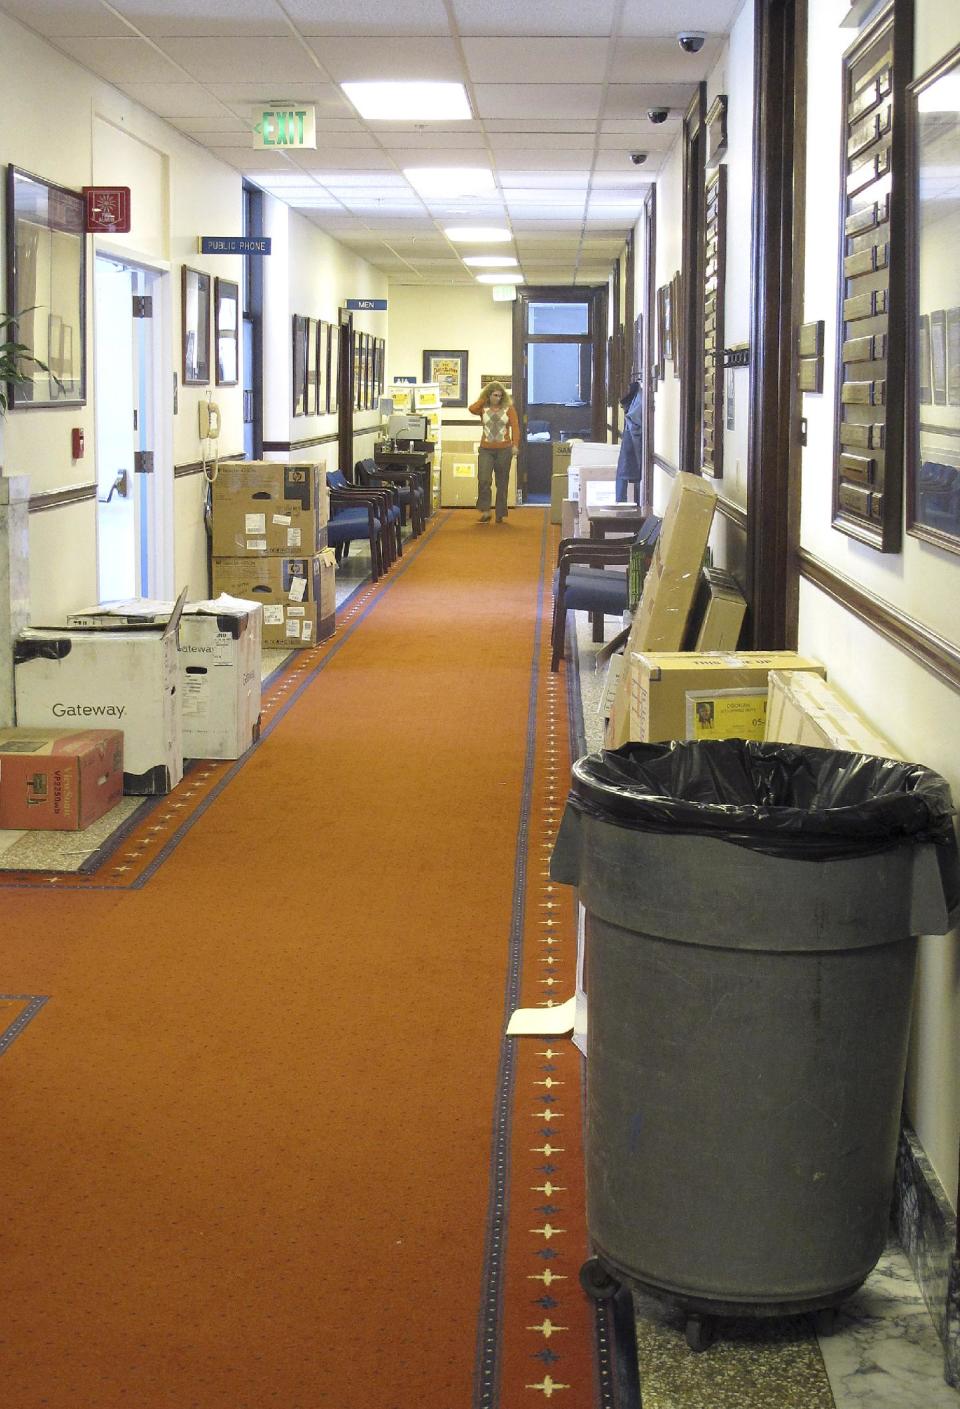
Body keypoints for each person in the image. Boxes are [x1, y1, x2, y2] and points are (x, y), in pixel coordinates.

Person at [468, 381, 520, 523]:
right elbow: (471, 409)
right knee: (484, 479)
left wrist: (515, 445)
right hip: (486, 449)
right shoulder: (482, 408)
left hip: (504, 449)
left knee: (502, 482)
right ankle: (485, 511)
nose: (498, 398)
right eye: (495, 395)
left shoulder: (508, 409)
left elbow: (515, 426)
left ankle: (500, 513)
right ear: (489, 395)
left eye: (500, 395)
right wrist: (484, 399)